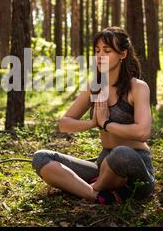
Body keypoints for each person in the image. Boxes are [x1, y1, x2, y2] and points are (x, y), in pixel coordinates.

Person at [31, 27, 155, 204]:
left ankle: (92, 188)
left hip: (133, 164)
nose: (100, 55)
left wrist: (106, 123)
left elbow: (143, 132)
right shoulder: (95, 87)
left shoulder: (137, 88)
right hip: (103, 164)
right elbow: (64, 124)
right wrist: (92, 122)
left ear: (123, 54)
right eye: (97, 51)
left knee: (121, 153)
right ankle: (97, 195)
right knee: (41, 157)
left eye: (107, 50)